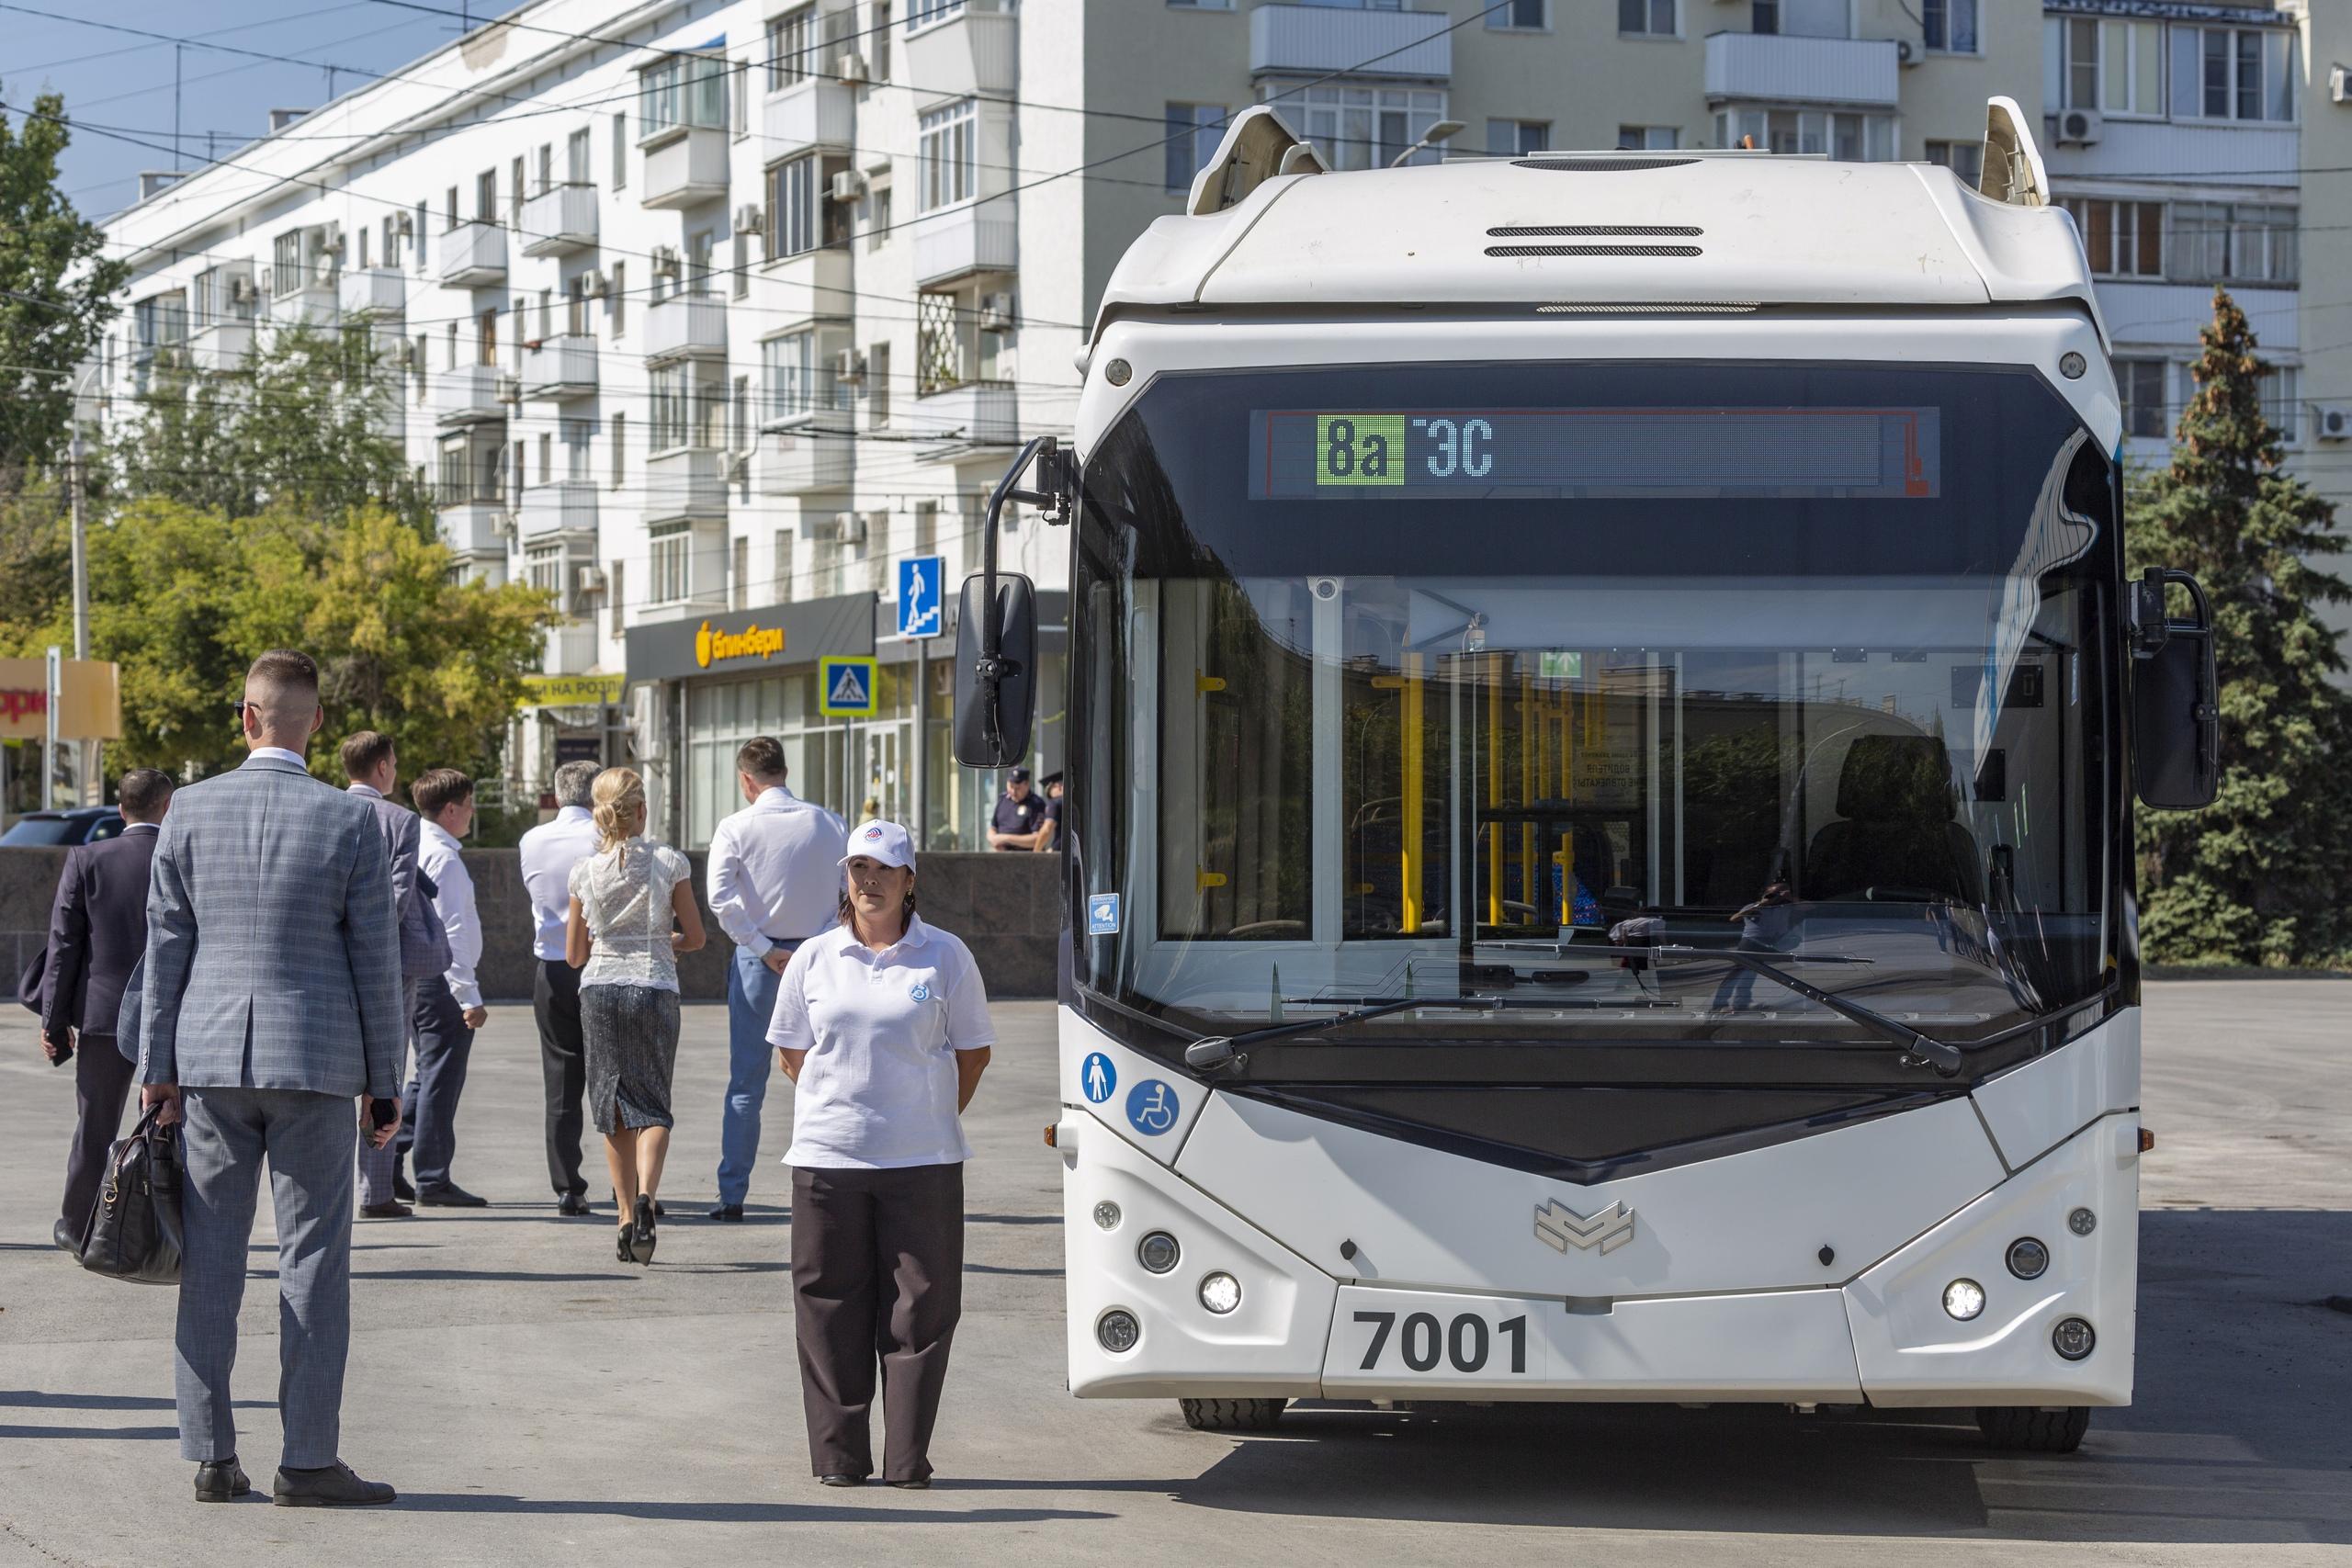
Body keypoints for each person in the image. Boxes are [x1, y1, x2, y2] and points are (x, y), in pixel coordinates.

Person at [138, 649, 403, 1507]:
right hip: (318, 1064)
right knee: (315, 1260)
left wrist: (156, 1070)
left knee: (211, 1259)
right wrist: (385, 1080)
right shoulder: (350, 821)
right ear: (315, 724)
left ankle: (212, 1454)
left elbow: (166, 946)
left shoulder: (188, 813)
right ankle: (309, 1459)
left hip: (209, 1062)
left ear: (246, 717)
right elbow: (376, 958)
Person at [768, 819, 994, 1490]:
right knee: (829, 1305)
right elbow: (792, 1052)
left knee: (919, 1312)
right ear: (846, 877)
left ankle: (906, 1459)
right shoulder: (814, 957)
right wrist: (847, 1111)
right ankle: (838, 1457)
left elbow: (973, 1052)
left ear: (910, 881)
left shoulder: (945, 956)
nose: (870, 881)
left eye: (884, 870)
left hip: (922, 1161)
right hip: (827, 1160)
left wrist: (925, 1113)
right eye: (859, 868)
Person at [704, 737, 848, 1223]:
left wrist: (765, 949)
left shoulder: (735, 827)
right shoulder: (829, 823)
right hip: (822, 961)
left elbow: (722, 900)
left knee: (747, 1082)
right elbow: (846, 896)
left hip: (759, 963)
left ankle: (732, 1195)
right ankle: (833, 1185)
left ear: (746, 779)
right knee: (828, 1074)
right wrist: (812, 945)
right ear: (785, 771)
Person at [566, 767, 704, 1264]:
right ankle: (647, 1196)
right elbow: (696, 936)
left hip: (599, 989)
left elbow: (575, 954)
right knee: (653, 1105)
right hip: (654, 986)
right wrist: (671, 944)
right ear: (641, 810)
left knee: (611, 1107)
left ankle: (625, 1218)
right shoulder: (669, 862)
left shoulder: (583, 872)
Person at [40, 766, 174, 1254]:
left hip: (104, 1015)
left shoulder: (87, 858)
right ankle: (175, 1232)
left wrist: (55, 1023)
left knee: (95, 1125)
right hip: (178, 1013)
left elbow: (63, 947)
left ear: (120, 810)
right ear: (168, 805)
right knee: (178, 1124)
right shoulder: (182, 857)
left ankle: (78, 1228)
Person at [342, 731, 444, 1220]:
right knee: (386, 1069)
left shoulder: (327, 809)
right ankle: (375, 1191)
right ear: (382, 768)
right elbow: (397, 897)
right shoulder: (400, 820)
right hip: (389, 965)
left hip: (330, 960)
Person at [519, 760, 605, 1215]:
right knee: (617, 1076)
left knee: (561, 1081)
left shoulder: (532, 840)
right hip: (602, 966)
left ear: (556, 795)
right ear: (597, 795)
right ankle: (629, 1183)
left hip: (551, 966)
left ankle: (568, 1186)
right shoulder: (605, 839)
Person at [401, 768, 487, 1207]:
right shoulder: (446, 858)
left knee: (426, 1075)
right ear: (451, 809)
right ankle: (433, 1178)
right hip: (444, 983)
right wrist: (468, 996)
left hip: (423, 977)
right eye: (469, 804)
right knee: (440, 1079)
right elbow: (453, 931)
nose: (472, 813)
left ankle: (394, 1152)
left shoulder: (418, 843)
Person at [986, 768, 1044, 850]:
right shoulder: (1002, 799)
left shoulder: (1036, 803)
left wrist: (1006, 839)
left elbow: (1038, 839)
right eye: (1011, 787)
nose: (1013, 791)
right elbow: (992, 828)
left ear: (1027, 784)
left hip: (1025, 857)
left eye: (1017, 788)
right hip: (1001, 856)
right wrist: (994, 839)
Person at [1031, 773, 1063, 852]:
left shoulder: (1054, 803)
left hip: (1064, 855)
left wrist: (1036, 852)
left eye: (1050, 793)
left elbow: (1047, 828)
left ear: (1058, 787)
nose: (1051, 797)